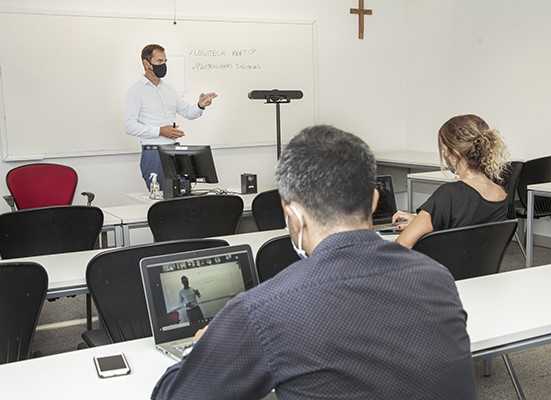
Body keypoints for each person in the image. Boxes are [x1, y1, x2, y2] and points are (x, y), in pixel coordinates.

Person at [152, 125, 476, 400]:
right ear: (375, 199)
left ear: (291, 214)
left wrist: (201, 347)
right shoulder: (435, 278)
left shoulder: (266, 309)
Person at [394, 114, 509, 248]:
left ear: (454, 152)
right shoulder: (500, 193)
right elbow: (466, 232)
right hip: (477, 268)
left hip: (439, 268)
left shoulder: (449, 194)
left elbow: (400, 246)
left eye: (444, 149)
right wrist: (419, 221)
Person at [125, 44, 218, 189]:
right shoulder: (136, 91)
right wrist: (160, 131)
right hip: (153, 153)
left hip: (175, 151)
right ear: (146, 63)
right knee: (162, 199)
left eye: (165, 61)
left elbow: (188, 112)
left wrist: (200, 105)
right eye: (159, 62)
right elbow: (130, 126)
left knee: (183, 197)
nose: (163, 65)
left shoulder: (169, 89)